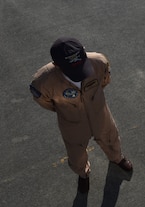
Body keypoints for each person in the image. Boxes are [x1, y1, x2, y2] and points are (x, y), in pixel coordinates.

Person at [30, 37, 133, 193]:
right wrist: (66, 110)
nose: (79, 73)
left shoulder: (99, 62)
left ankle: (117, 158)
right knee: (76, 152)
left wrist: (92, 103)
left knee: (110, 137)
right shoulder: (43, 82)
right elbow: (46, 102)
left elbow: (104, 81)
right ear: (56, 64)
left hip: (99, 113)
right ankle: (83, 174)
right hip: (72, 122)